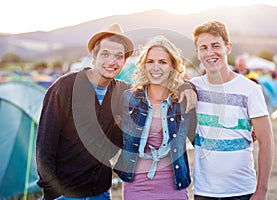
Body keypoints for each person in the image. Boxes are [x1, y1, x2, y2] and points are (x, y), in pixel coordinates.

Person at [36, 24, 196, 200]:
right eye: (105, 54)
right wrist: (51, 192)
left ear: (125, 60)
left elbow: (158, 87)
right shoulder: (65, 87)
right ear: (94, 55)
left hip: (101, 192)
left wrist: (185, 86)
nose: (112, 61)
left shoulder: (124, 93)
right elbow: (45, 145)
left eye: (119, 56)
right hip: (64, 194)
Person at [190, 20, 275, 200]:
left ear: (228, 48)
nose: (209, 53)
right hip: (204, 192)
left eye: (215, 46)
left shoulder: (250, 90)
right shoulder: (191, 89)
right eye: (203, 47)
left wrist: (261, 191)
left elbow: (266, 142)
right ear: (197, 52)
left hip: (242, 191)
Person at [113, 35, 197, 200]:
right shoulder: (128, 98)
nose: (155, 67)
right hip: (136, 186)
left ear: (173, 66)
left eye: (163, 62)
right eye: (150, 61)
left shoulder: (183, 101)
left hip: (174, 185)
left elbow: (199, 140)